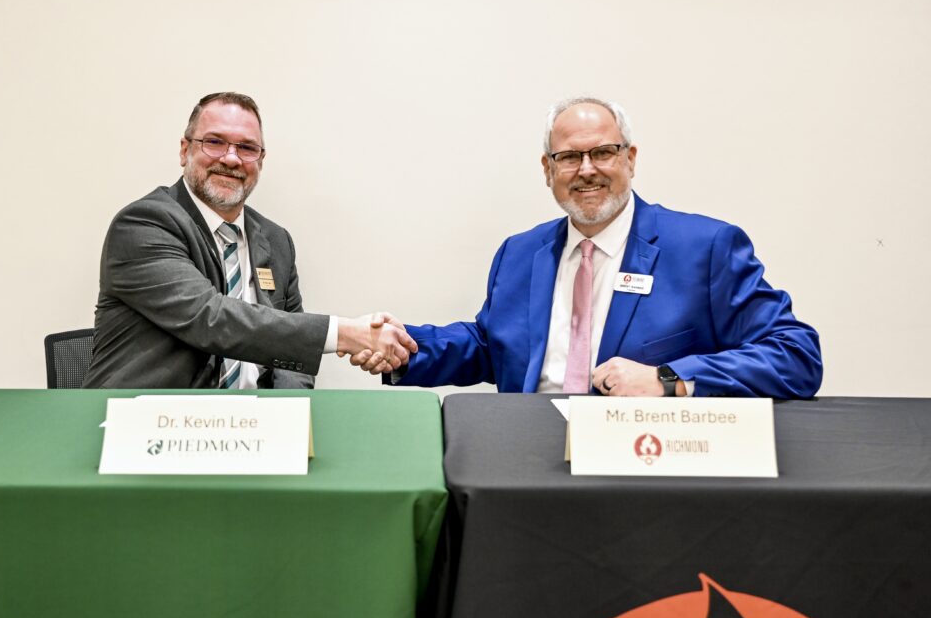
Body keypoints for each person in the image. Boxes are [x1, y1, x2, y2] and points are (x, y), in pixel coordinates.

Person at [350, 96, 822, 398]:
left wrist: (669, 379)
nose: (587, 169)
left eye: (602, 152)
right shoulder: (520, 253)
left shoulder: (705, 249)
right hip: (526, 461)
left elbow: (795, 354)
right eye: (569, 157)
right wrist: (404, 347)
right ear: (548, 170)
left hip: (643, 470)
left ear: (630, 159)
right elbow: (490, 347)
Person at [83, 92, 415, 389]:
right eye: (215, 142)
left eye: (246, 148)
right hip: (149, 425)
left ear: (260, 160)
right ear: (185, 150)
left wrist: (290, 415)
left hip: (252, 427)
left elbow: (289, 358)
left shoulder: (276, 240)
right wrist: (347, 334)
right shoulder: (144, 224)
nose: (231, 159)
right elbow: (211, 319)